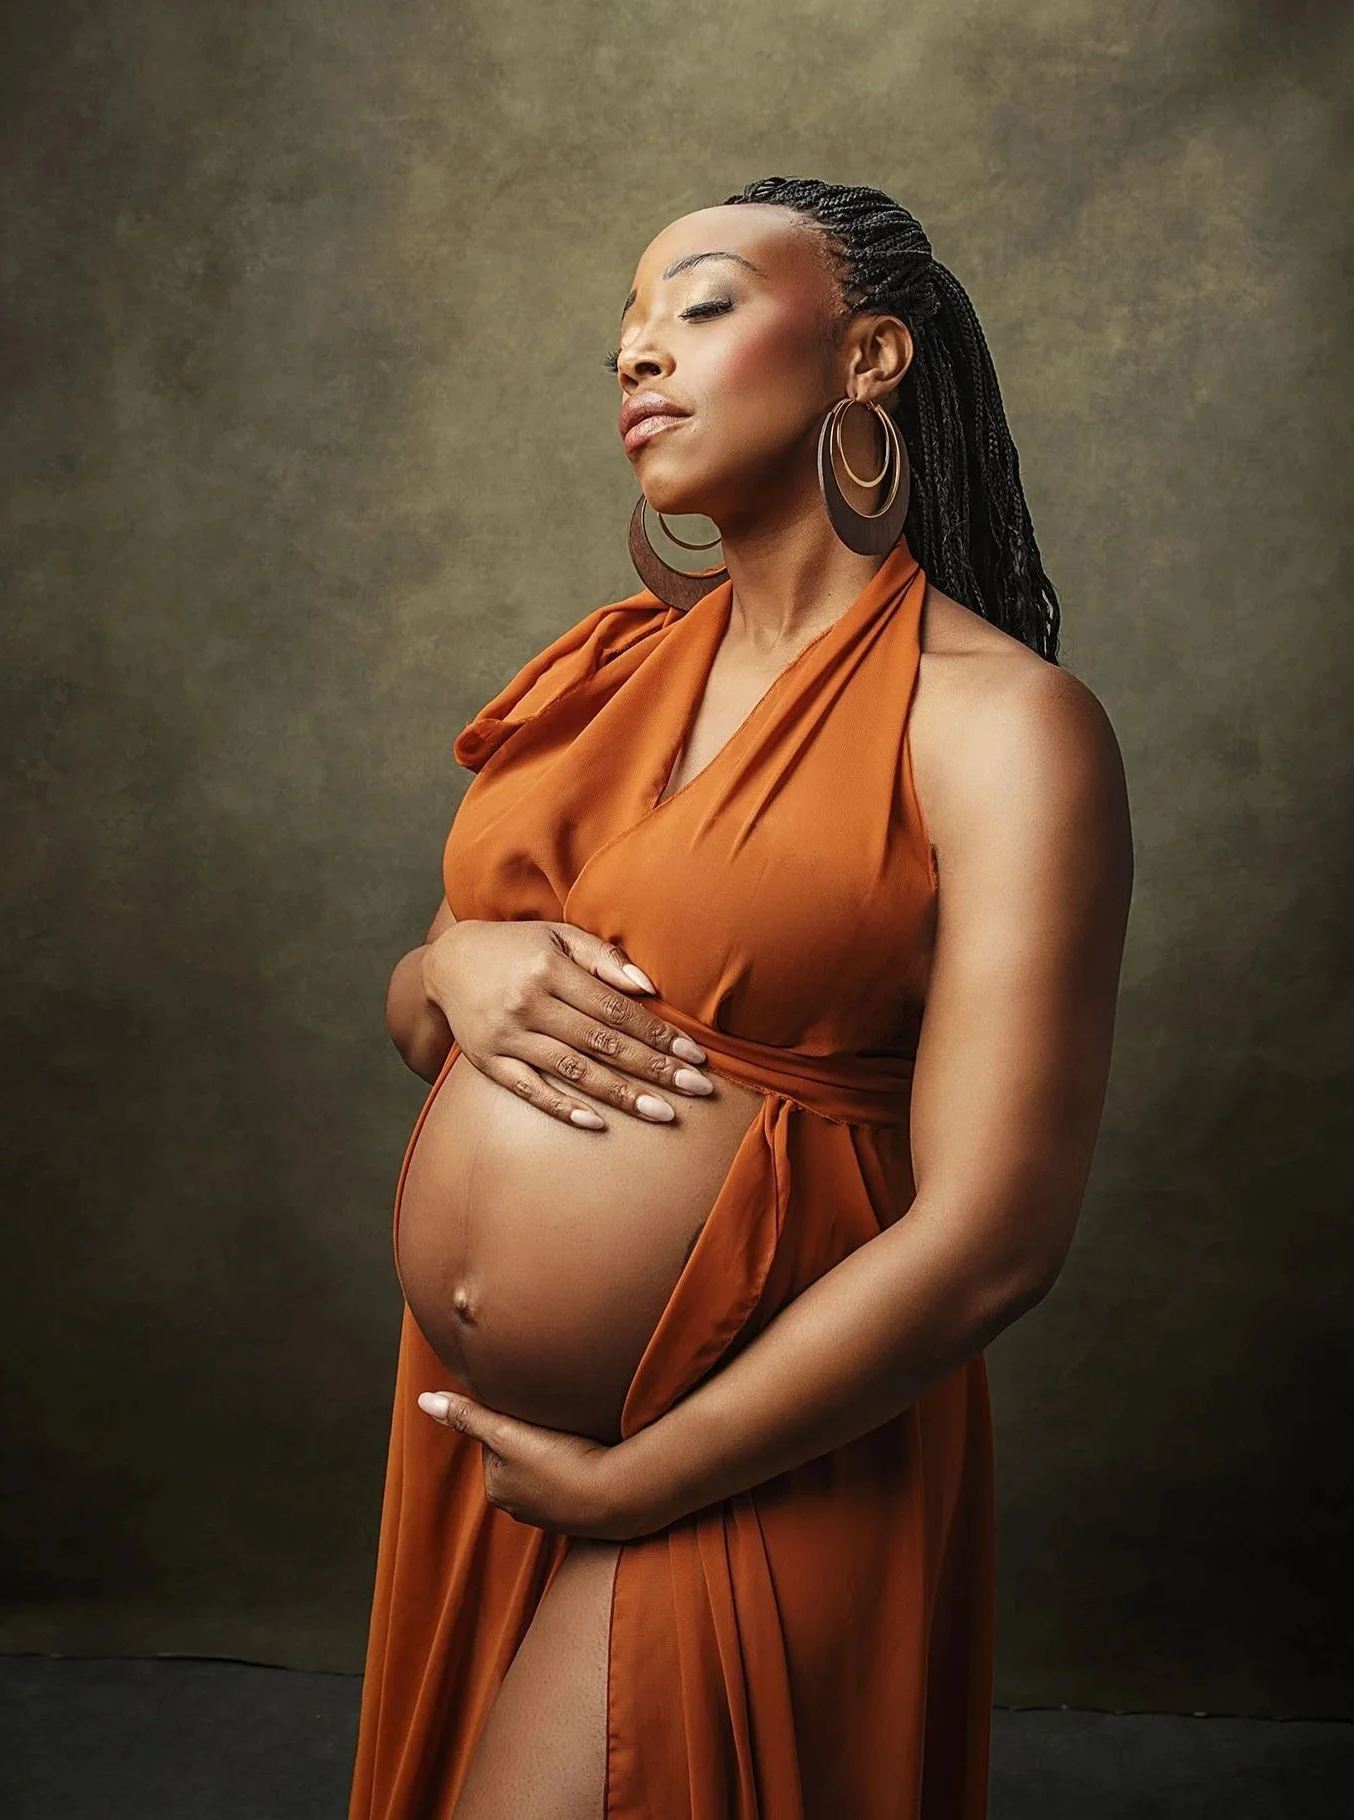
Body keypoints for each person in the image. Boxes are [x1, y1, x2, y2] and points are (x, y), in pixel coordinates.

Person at [348, 175, 1133, 1820]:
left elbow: (998, 1235)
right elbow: (431, 1017)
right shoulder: (602, 676)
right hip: (484, 1453)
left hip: (757, 1454)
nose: (641, 355)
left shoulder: (1003, 728)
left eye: (699, 307)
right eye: (625, 331)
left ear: (869, 360)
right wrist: (452, 963)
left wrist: (644, 1482)